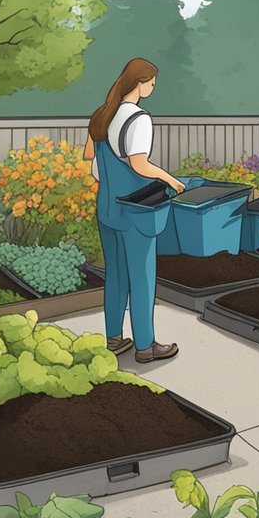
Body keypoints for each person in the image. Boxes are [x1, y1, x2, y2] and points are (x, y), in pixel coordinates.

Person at [84, 58, 184, 363]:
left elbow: (89, 155)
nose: (152, 87)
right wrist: (171, 180)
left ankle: (114, 339)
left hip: (107, 208)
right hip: (135, 213)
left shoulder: (102, 114)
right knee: (142, 276)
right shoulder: (139, 119)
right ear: (139, 83)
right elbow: (139, 164)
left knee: (115, 275)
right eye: (151, 82)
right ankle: (145, 346)